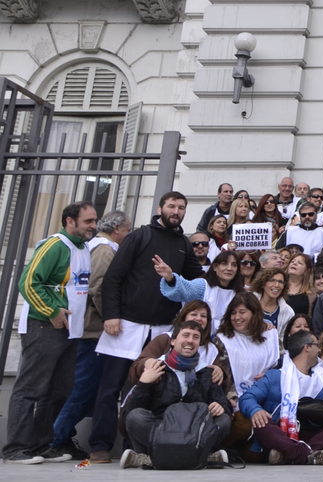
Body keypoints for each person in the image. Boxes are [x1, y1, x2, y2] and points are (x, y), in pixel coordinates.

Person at [91, 192, 204, 463]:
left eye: (181, 207)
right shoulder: (139, 236)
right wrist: (111, 315)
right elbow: (113, 278)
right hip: (125, 326)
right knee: (110, 388)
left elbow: (199, 283)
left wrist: (174, 278)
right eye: (171, 206)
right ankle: (100, 445)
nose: (176, 211)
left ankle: (137, 446)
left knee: (153, 389)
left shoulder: (184, 244)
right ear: (160, 208)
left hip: (162, 330)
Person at [3, 202, 96, 465]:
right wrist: (51, 311)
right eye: (88, 221)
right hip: (43, 326)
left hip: (70, 331)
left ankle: (41, 445)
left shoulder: (83, 248)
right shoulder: (54, 245)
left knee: (58, 391)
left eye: (94, 220)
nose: (93, 225)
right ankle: (15, 449)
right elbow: (27, 282)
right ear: (70, 221)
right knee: (30, 388)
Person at [48, 209, 130, 461]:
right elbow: (98, 287)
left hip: (87, 328)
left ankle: (61, 436)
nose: (129, 235)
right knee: (82, 388)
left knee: (84, 387)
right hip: (93, 329)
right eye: (128, 230)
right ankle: (54, 439)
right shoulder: (105, 249)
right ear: (117, 229)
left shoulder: (93, 246)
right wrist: (111, 316)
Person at [118, 321, 233, 469]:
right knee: (136, 417)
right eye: (186, 335)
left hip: (193, 431)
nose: (190, 341)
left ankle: (149, 459)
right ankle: (202, 458)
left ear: (199, 343)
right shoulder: (157, 368)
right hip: (160, 429)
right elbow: (131, 412)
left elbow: (224, 406)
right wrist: (143, 384)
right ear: (173, 341)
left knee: (223, 420)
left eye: (195, 337)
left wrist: (221, 406)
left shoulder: (207, 372)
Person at [240, 330, 323, 465]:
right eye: (317, 345)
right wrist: (255, 410)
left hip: (309, 432)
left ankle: (287, 455)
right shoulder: (274, 376)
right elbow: (247, 398)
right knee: (262, 424)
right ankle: (308, 455)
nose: (319, 350)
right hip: (280, 433)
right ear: (307, 347)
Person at [155, 251, 245, 330]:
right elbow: (183, 290)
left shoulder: (239, 293)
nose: (229, 268)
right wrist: (170, 278)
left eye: (234, 265)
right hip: (198, 336)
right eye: (224, 264)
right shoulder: (203, 286)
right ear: (215, 267)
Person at [216, 293, 280, 401]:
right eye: (233, 313)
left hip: (270, 396)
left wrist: (271, 376)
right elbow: (224, 378)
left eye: (242, 312)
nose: (237, 317)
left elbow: (284, 368)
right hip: (237, 400)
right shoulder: (222, 340)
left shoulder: (271, 335)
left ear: (254, 313)